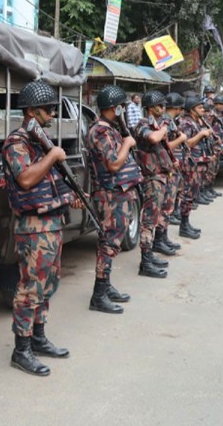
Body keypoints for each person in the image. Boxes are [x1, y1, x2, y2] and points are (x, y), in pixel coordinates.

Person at [1, 81, 83, 377]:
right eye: (48, 110)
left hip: (52, 223)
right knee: (31, 287)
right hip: (33, 227)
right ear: (32, 112)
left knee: (48, 284)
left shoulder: (40, 141)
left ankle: (38, 337)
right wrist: (53, 156)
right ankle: (21, 349)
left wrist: (70, 196)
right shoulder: (17, 143)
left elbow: (51, 183)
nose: (52, 114)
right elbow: (25, 179)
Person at [85, 84, 141, 314]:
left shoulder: (110, 129)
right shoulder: (100, 131)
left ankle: (105, 286)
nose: (123, 111)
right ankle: (98, 295)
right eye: (121, 107)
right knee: (108, 244)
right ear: (115, 108)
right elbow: (113, 163)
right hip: (110, 194)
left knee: (113, 242)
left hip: (118, 192)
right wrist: (127, 143)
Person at [133, 90, 177, 278]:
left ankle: (150, 254)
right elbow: (153, 138)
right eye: (160, 105)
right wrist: (165, 127)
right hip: (152, 179)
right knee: (149, 221)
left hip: (161, 176)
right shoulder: (143, 125)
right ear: (150, 108)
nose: (163, 108)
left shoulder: (157, 125)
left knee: (158, 217)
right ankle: (145, 261)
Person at [177, 96, 214, 239]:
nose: (203, 110)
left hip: (198, 163)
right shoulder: (186, 124)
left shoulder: (196, 122)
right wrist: (201, 134)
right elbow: (186, 143)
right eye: (199, 108)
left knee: (192, 194)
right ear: (192, 110)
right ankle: (183, 226)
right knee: (187, 195)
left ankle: (186, 223)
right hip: (190, 164)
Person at [160, 93, 188, 241]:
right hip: (167, 167)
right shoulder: (165, 122)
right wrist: (181, 139)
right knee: (166, 205)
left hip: (173, 165)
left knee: (170, 203)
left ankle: (163, 238)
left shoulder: (170, 121)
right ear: (177, 108)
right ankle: (160, 239)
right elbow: (165, 147)